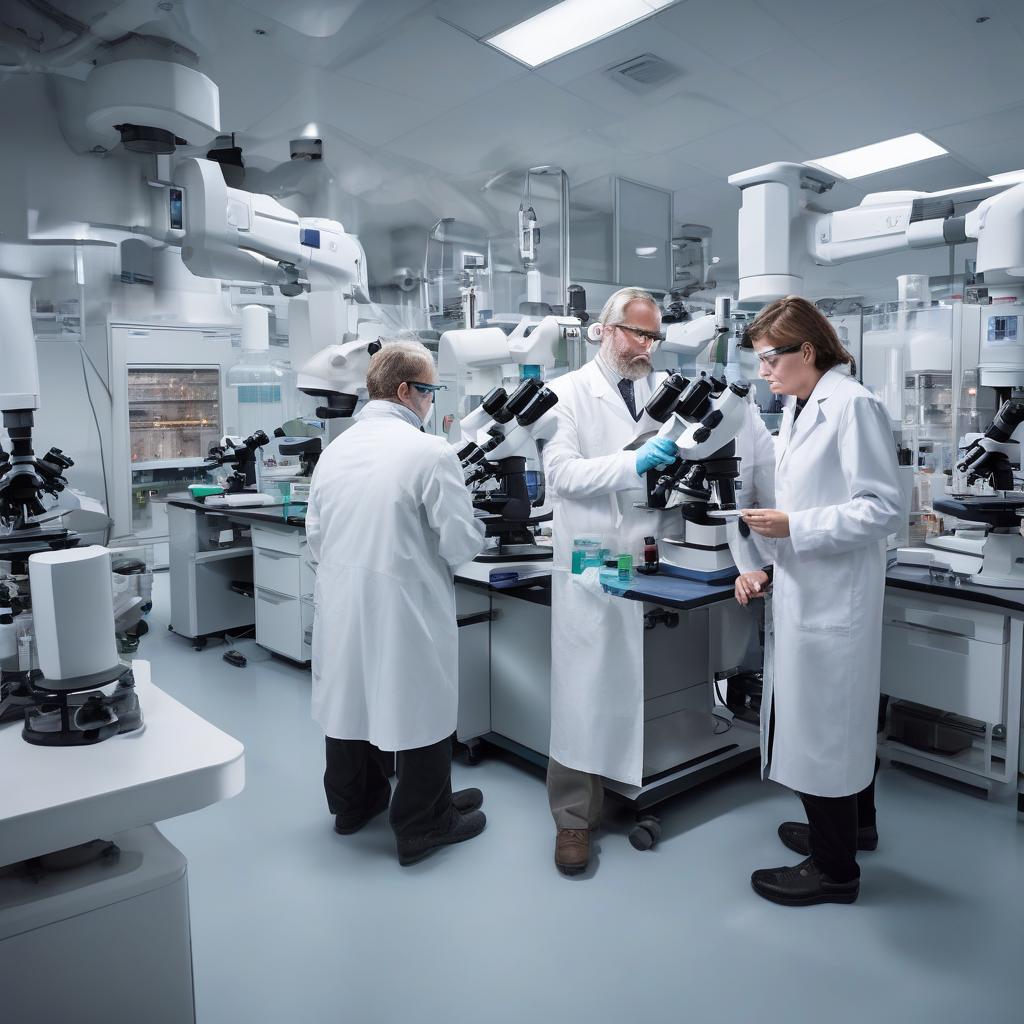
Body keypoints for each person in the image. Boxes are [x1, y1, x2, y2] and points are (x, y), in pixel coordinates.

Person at [734, 296, 904, 906]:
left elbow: (883, 508)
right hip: (811, 585)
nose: (763, 372)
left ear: (807, 351)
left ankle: (835, 871)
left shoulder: (851, 404)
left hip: (835, 598)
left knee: (824, 729)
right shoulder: (799, 405)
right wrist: (775, 556)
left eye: (768, 359)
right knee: (837, 722)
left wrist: (792, 529)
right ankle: (856, 829)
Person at [305, 340, 487, 866]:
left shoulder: (336, 449)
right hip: (406, 603)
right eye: (429, 392)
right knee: (420, 704)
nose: (431, 403)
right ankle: (424, 824)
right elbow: (460, 544)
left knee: (349, 699)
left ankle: (354, 807)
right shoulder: (430, 452)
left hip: (342, 596)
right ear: (406, 391)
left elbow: (316, 533)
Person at [542, 287, 679, 876]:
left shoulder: (659, 388)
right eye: (637, 334)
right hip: (594, 556)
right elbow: (562, 474)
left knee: (637, 672)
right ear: (604, 330)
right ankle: (572, 819)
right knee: (583, 682)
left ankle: (629, 791)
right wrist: (633, 463)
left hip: (649, 549)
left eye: (654, 337)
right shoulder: (566, 392)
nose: (646, 346)